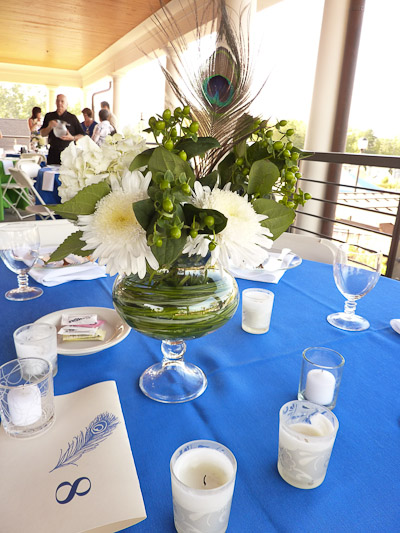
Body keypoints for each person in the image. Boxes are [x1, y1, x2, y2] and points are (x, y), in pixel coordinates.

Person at [40, 94, 84, 165]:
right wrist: (49, 126)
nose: (59, 103)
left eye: (62, 101)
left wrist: (72, 137)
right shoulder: (49, 116)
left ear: (66, 104)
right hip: (53, 152)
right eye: (58, 101)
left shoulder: (72, 118)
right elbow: (42, 134)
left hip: (68, 152)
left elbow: (82, 135)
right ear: (55, 102)